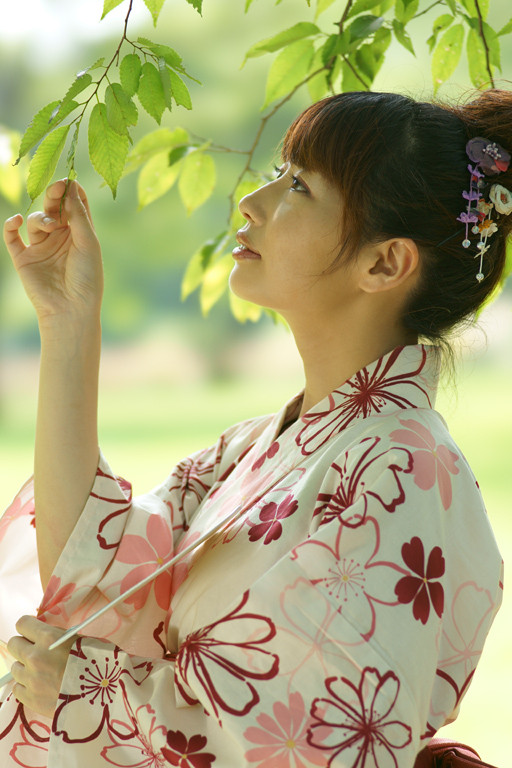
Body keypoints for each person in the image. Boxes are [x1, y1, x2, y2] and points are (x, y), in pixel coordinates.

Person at [0, 89, 508, 767]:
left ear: (384, 263)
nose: (251, 202)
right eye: (278, 171)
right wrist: (68, 321)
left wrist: (89, 695)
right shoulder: (258, 445)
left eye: (299, 186)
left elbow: (321, 742)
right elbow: (95, 566)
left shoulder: (406, 468)